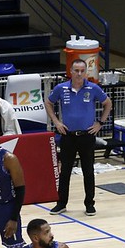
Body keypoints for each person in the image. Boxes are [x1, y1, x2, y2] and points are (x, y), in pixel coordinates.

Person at [45, 59, 112, 216]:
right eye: (76, 70)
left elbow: (108, 103)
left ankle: (89, 204)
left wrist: (100, 123)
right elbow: (48, 103)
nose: (79, 74)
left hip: (87, 136)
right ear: (71, 71)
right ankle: (61, 203)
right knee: (65, 171)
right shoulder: (61, 88)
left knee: (88, 170)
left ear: (86, 72)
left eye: (82, 70)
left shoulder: (93, 88)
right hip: (67, 135)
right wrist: (56, 122)